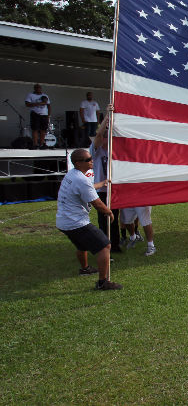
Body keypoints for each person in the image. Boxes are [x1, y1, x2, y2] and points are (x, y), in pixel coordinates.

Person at [56, 148, 122, 290]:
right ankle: (103, 282)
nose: (92, 161)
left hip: (64, 221)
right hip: (75, 222)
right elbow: (97, 203)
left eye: (91, 158)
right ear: (78, 163)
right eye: (88, 160)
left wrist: (102, 183)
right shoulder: (81, 179)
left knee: (82, 245)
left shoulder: (73, 175)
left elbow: (87, 188)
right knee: (105, 246)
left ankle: (85, 269)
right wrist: (109, 212)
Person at [90, 110, 122, 252]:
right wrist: (107, 118)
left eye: (108, 136)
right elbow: (98, 135)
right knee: (104, 220)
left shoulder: (113, 151)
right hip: (101, 191)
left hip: (113, 190)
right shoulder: (96, 151)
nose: (106, 139)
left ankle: (115, 245)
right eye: (105, 137)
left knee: (114, 218)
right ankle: (105, 245)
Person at [24, 83, 51, 149]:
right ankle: (35, 144)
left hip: (44, 114)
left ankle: (42, 144)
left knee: (43, 129)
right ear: (35, 88)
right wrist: (38, 103)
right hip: (35, 114)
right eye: (37, 88)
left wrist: (48, 115)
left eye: (39, 88)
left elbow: (49, 106)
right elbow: (27, 104)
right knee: (35, 129)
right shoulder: (30, 95)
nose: (38, 89)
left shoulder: (45, 95)